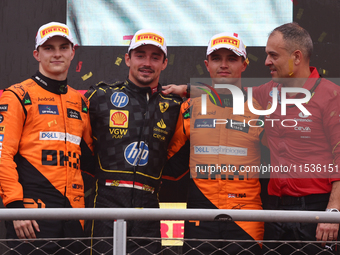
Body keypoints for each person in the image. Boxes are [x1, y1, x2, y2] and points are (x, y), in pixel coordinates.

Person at [162, 32, 266, 254]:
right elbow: (168, 163)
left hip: (247, 216)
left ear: (244, 64)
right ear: (207, 64)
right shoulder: (189, 108)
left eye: (232, 59)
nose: (224, 65)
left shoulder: (260, 108)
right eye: (217, 58)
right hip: (201, 213)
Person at [84, 29, 182, 254]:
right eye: (140, 55)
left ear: (165, 63)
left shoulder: (175, 105)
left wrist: (189, 89)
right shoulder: (100, 96)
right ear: (128, 58)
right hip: (105, 204)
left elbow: (226, 94)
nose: (147, 63)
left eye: (155, 57)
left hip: (148, 206)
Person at [0, 22, 93, 255]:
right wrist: (15, 208)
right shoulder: (17, 95)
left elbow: (92, 156)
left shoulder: (80, 102)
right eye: (49, 48)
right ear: (36, 54)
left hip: (74, 214)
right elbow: (2, 155)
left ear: (73, 52)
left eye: (63, 47)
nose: (57, 54)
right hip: (31, 216)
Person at [250, 22, 340, 254]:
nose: (267, 62)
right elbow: (230, 92)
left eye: (273, 55)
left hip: (318, 209)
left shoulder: (331, 94)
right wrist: (186, 90)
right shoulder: (268, 91)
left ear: (296, 57)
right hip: (275, 209)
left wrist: (334, 211)